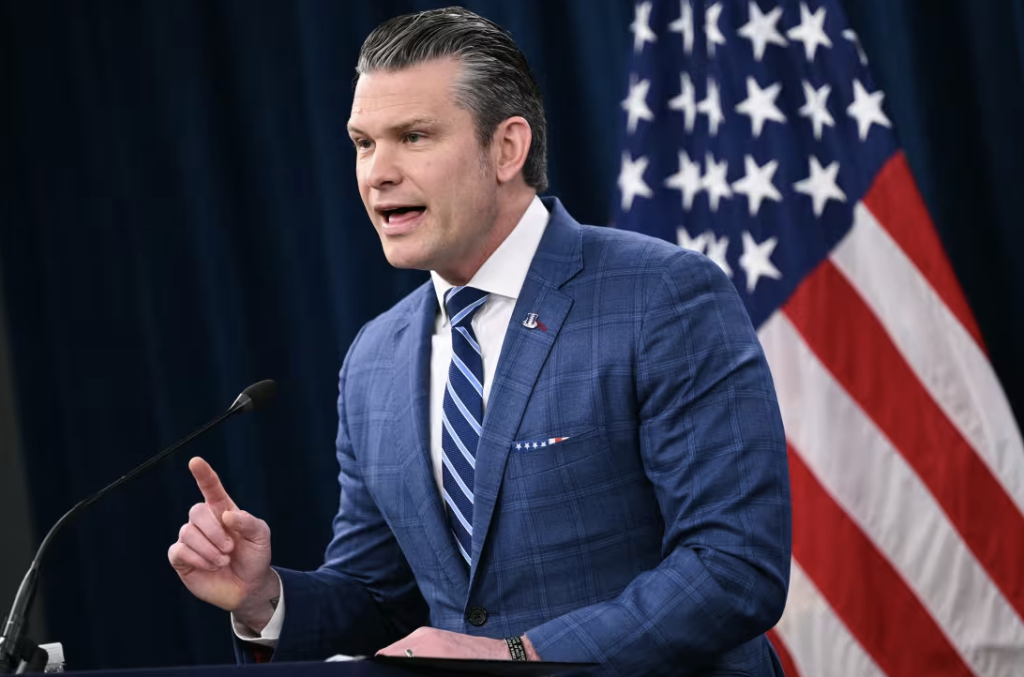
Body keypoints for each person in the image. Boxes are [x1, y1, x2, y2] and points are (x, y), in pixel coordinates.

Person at [167, 6, 792, 675]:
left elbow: (733, 564)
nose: (377, 173)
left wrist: (521, 656)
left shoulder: (661, 296)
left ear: (507, 149)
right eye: (363, 143)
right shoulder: (374, 359)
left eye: (413, 136)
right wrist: (264, 598)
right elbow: (380, 597)